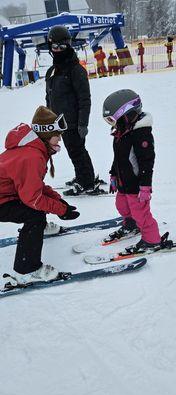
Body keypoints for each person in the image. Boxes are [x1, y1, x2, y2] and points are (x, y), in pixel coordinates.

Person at [0, 106, 80, 285]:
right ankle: (27, 270)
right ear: (45, 134)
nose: (60, 139)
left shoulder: (31, 149)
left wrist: (59, 201)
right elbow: (33, 198)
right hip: (2, 200)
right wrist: (60, 210)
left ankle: (39, 228)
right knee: (34, 215)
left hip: (7, 194)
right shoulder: (32, 156)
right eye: (57, 134)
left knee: (36, 207)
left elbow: (34, 186)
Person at [102, 89, 162, 251]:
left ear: (126, 114)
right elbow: (118, 158)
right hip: (124, 182)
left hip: (137, 185)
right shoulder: (121, 133)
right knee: (121, 205)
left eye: (112, 120)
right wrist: (113, 174)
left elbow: (147, 162)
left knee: (141, 214)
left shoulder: (141, 134)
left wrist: (145, 186)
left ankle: (152, 240)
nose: (112, 124)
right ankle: (131, 224)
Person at [46, 25, 99, 196]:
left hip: (74, 122)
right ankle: (83, 176)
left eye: (62, 47)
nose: (58, 51)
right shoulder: (52, 71)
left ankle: (87, 182)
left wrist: (82, 123)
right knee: (75, 152)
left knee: (77, 152)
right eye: (55, 47)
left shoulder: (76, 70)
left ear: (69, 46)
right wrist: (49, 119)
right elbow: (50, 97)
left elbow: (85, 99)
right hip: (60, 122)